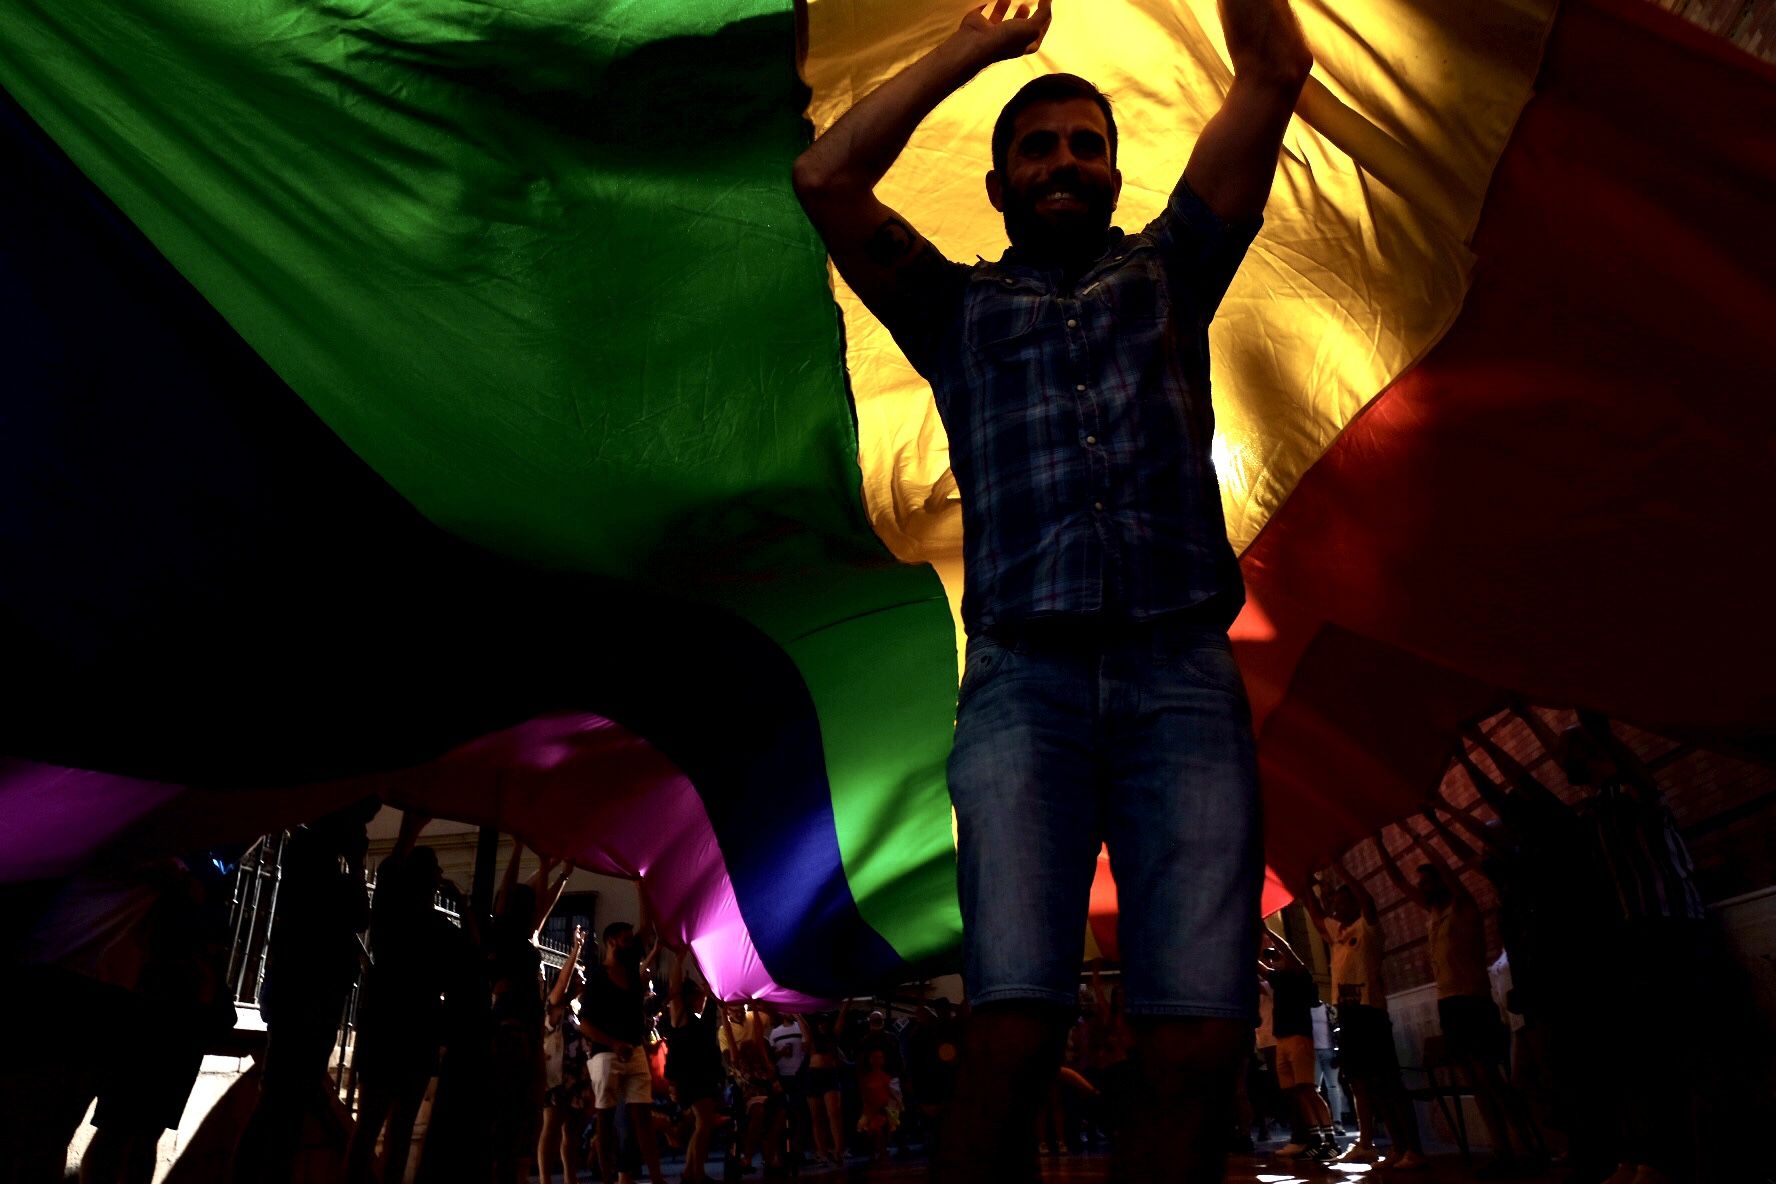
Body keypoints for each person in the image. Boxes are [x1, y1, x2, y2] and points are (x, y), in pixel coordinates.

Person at [791, 0, 1313, 1177]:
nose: (1065, 162)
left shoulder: (1177, 269)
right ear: (999, 186)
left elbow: (1274, 66)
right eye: (1039, 147)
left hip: (1181, 674)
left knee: (1197, 1037)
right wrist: (978, 48)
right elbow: (825, 176)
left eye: (1086, 145)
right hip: (1024, 687)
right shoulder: (954, 310)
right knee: (1013, 1022)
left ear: (1119, 174)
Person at [1373, 824, 1540, 1176]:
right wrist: (1380, 847)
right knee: (1477, 1082)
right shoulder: (1433, 914)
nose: (1420, 887)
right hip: (1449, 1004)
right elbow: (1400, 885)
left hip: (1473, 1001)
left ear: (1440, 882)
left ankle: (1526, 1145)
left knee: (1490, 1079)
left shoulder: (1463, 907)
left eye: (1426, 881)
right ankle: (1502, 1149)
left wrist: (1417, 833)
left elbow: (1450, 873)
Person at [234, 800, 378, 1184]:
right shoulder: (313, 854)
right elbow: (359, 915)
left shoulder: (317, 854)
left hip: (309, 995)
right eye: (359, 827)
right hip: (304, 997)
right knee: (282, 1100)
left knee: (287, 1100)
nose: (365, 835)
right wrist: (357, 864)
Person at [346, 814, 457, 1184]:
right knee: (399, 1127)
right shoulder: (437, 928)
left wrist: (410, 829)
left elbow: (392, 871)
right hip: (417, 1028)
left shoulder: (389, 918)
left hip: (385, 1022)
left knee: (370, 1126)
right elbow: (460, 966)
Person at [1303, 863, 1424, 1169]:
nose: (1335, 907)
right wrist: (1301, 883)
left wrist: (1340, 867)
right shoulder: (1338, 935)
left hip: (1370, 1013)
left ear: (1354, 904)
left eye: (1341, 901)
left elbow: (1368, 901)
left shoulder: (1367, 929)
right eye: (1334, 902)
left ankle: (1414, 1149)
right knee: (1369, 1084)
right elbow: (1316, 915)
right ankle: (1396, 1148)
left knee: (1388, 1083)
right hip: (1349, 1016)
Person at [579, 899, 666, 1184]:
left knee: (641, 1114)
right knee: (605, 1118)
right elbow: (586, 1023)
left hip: (633, 1048)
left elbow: (646, 929)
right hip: (607, 1053)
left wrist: (640, 886)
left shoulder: (628, 972)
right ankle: (608, 1176)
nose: (632, 944)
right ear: (612, 941)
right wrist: (614, 1043)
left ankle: (655, 1176)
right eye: (626, 940)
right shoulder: (597, 979)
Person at [1260, 929, 1339, 1162]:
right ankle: (1315, 1137)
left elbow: (1288, 951)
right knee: (1295, 1091)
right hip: (1281, 1038)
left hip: (1298, 1037)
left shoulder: (1301, 976)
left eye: (1278, 957)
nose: (1275, 960)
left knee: (1307, 1088)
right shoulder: (1278, 979)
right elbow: (1259, 967)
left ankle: (1330, 1138)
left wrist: (1266, 930)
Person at [664, 949, 724, 1183]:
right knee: (704, 1124)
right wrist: (678, 960)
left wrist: (703, 965)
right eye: (698, 994)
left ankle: (691, 1171)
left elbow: (710, 990)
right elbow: (675, 989)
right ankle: (694, 1172)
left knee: (703, 1125)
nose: (702, 997)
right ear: (690, 997)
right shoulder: (681, 1016)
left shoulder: (702, 1017)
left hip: (704, 1077)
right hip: (691, 1078)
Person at [538, 926, 591, 1184]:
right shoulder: (554, 1005)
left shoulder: (574, 1011)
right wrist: (576, 949)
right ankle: (546, 1179)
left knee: (571, 1130)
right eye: (579, 975)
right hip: (558, 1075)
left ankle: (571, 1179)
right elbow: (562, 981)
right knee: (552, 1126)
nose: (583, 977)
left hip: (575, 1076)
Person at [799, 1004, 850, 1170]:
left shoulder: (832, 1036)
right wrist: (795, 1013)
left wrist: (846, 1004)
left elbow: (841, 1019)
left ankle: (838, 1151)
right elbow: (804, 1026)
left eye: (825, 1023)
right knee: (817, 1116)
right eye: (820, 1023)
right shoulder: (811, 1038)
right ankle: (822, 1153)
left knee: (834, 1114)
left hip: (829, 1075)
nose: (822, 1026)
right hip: (814, 1076)